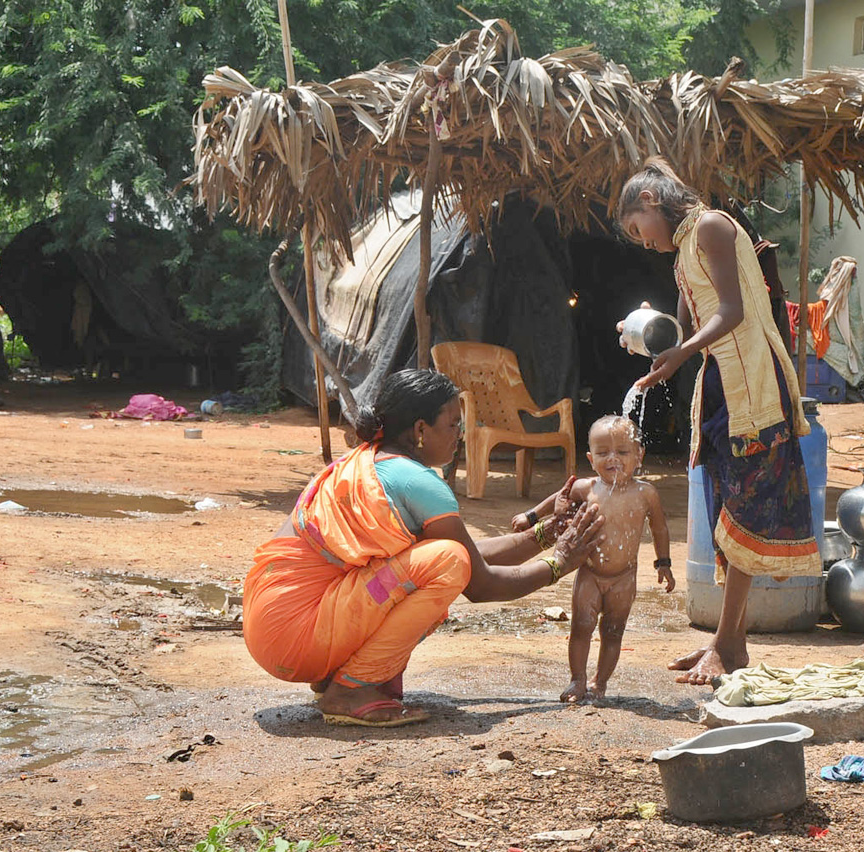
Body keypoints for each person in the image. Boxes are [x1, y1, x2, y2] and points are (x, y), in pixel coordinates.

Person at [242, 368, 603, 727]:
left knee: (442, 559)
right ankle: (351, 690)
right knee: (447, 563)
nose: (459, 434)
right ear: (419, 430)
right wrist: (559, 563)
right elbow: (478, 582)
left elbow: (464, 554)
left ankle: (339, 675)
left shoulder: (366, 462)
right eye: (452, 424)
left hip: (269, 629)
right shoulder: (418, 482)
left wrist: (547, 532)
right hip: (298, 636)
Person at [616, 157, 821, 685]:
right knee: (727, 503)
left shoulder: (710, 226)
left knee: (746, 503)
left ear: (651, 202)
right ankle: (728, 641)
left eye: (639, 231)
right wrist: (655, 335)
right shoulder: (686, 244)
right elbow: (688, 320)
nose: (644, 244)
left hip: (750, 381)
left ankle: (730, 643)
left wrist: (681, 355)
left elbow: (731, 311)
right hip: (721, 382)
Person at [513, 415, 675, 702]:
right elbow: (558, 496)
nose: (613, 459)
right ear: (590, 458)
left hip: (625, 577)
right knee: (582, 627)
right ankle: (577, 680)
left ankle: (600, 684)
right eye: (603, 453)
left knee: (613, 631)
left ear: (639, 455)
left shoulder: (646, 493)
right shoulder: (588, 488)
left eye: (623, 452)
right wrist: (532, 516)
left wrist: (664, 563)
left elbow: (659, 527)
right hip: (589, 572)